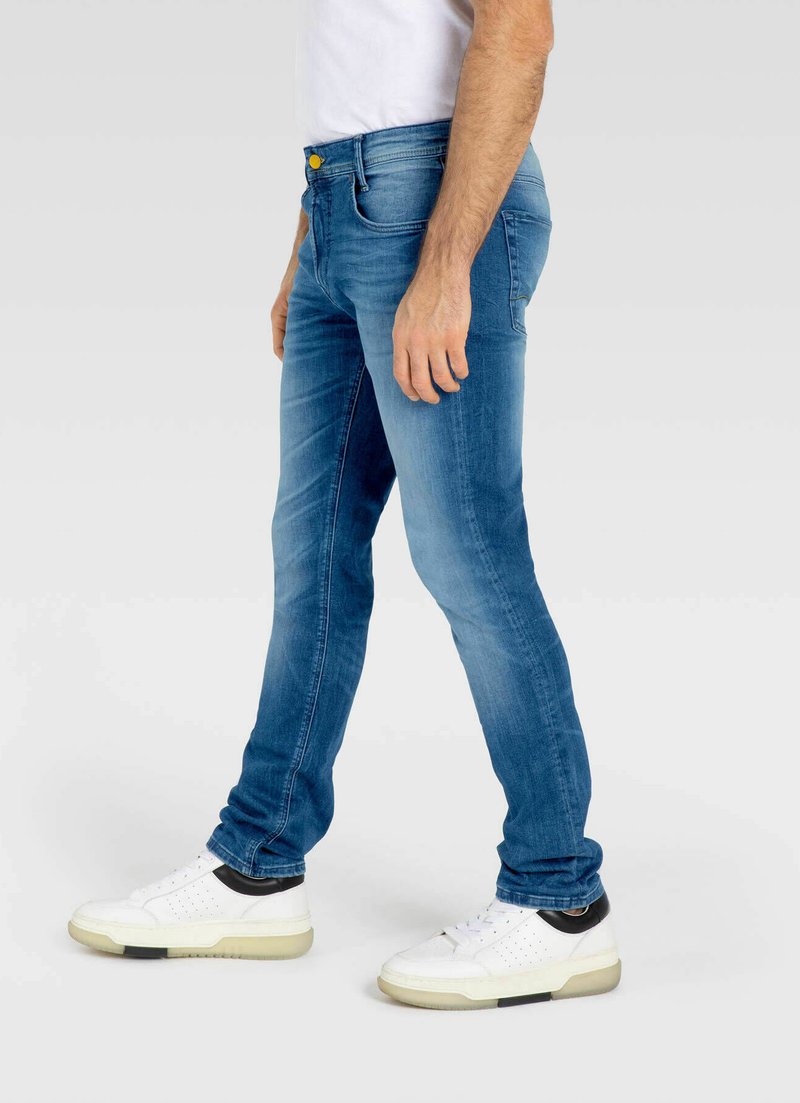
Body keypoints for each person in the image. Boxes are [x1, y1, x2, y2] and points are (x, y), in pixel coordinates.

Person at [68, 0, 621, 1009]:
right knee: (311, 551)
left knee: (467, 551)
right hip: (340, 203)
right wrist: (308, 243)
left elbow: (518, 29)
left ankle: (559, 900)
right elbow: (362, 56)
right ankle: (258, 866)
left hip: (430, 204)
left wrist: (446, 263)